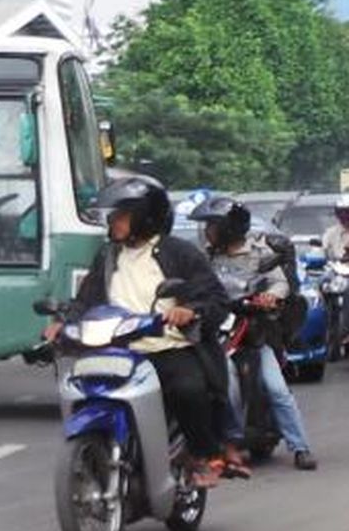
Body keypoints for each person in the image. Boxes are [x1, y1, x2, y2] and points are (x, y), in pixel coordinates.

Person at [44, 175, 232, 488]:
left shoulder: (180, 253)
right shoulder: (107, 256)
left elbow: (215, 299)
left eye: (121, 215)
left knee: (188, 389)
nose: (113, 222)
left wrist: (190, 311)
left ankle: (202, 455)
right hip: (116, 348)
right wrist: (65, 323)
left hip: (166, 347)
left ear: (145, 216)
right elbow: (87, 299)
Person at [192, 196, 318, 471]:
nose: (208, 232)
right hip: (216, 331)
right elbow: (194, 284)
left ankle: (300, 448)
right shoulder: (206, 256)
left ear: (229, 227)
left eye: (213, 225)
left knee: (277, 389)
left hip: (254, 332)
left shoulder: (260, 252)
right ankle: (222, 445)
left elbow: (279, 284)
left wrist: (270, 297)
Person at [321, 194, 349, 263]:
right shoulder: (330, 233)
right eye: (340, 212)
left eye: (347, 212)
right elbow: (324, 253)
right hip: (337, 270)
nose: (344, 216)